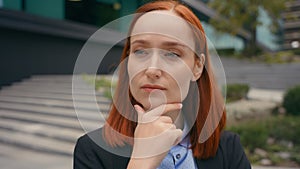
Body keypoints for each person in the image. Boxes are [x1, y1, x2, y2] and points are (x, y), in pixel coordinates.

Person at [73, 0, 251, 169]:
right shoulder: (92, 151)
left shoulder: (228, 149)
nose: (152, 69)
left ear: (197, 67)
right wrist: (141, 163)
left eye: (172, 53)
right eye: (140, 51)